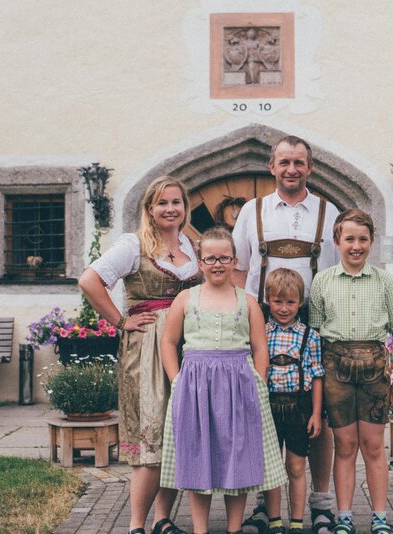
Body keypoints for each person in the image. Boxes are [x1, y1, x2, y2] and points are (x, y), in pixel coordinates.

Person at [79, 175, 201, 534]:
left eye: (176, 202)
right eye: (162, 203)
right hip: (147, 345)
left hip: (186, 345)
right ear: (150, 208)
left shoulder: (191, 245)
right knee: (149, 438)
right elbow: (89, 280)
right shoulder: (133, 245)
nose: (170, 209)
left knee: (176, 435)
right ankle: (136, 525)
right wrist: (120, 321)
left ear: (184, 207)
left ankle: (163, 519)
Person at [232, 134, 340, 534]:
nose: (291, 169)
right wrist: (245, 321)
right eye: (284, 162)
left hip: (313, 320)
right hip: (261, 319)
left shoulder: (329, 213)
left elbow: (334, 273)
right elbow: (240, 271)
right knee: (265, 410)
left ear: (310, 167)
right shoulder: (251, 210)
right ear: (271, 166)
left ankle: (321, 501)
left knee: (320, 413)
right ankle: (266, 502)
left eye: (299, 162)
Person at [160, 227, 288, 534]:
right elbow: (168, 342)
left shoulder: (247, 301)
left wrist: (257, 380)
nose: (217, 264)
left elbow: (259, 347)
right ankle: (200, 529)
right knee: (197, 455)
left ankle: (234, 528)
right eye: (210, 258)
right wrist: (177, 380)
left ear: (234, 261)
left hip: (239, 386)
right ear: (200, 263)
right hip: (195, 387)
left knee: (238, 456)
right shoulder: (185, 299)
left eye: (224, 258)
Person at [309, 209, 393, 534]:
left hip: (374, 370)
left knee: (373, 446)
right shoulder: (322, 282)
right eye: (349, 238)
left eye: (363, 239)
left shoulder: (384, 282)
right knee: (345, 445)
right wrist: (317, 386)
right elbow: (314, 334)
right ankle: (344, 516)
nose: (356, 246)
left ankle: (380, 516)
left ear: (371, 242)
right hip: (335, 367)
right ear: (337, 241)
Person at [260, 268, 325, 534]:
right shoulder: (262, 333)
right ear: (267, 300)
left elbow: (317, 375)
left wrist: (316, 413)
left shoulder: (310, 336)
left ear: (300, 303)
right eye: (278, 301)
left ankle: (297, 522)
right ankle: (275, 521)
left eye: (290, 302)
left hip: (299, 408)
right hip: (269, 408)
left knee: (296, 466)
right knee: (273, 468)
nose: (284, 308)